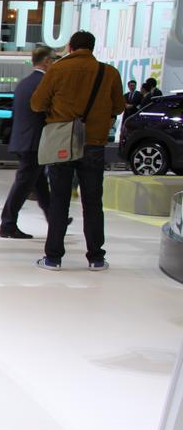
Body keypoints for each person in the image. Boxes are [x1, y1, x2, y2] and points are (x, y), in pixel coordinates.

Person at [31, 30, 125, 271]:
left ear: (71, 48)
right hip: (94, 143)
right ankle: (96, 258)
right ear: (92, 48)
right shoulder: (109, 73)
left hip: (63, 141)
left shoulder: (57, 70)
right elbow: (119, 106)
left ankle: (53, 258)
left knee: (59, 200)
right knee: (93, 202)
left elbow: (37, 103)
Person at [0, 46, 54, 239]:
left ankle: (55, 219)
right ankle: (7, 224)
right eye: (53, 60)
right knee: (23, 185)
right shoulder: (43, 83)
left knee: (39, 184)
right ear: (46, 61)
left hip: (23, 140)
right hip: (34, 142)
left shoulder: (24, 83)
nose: (54, 64)